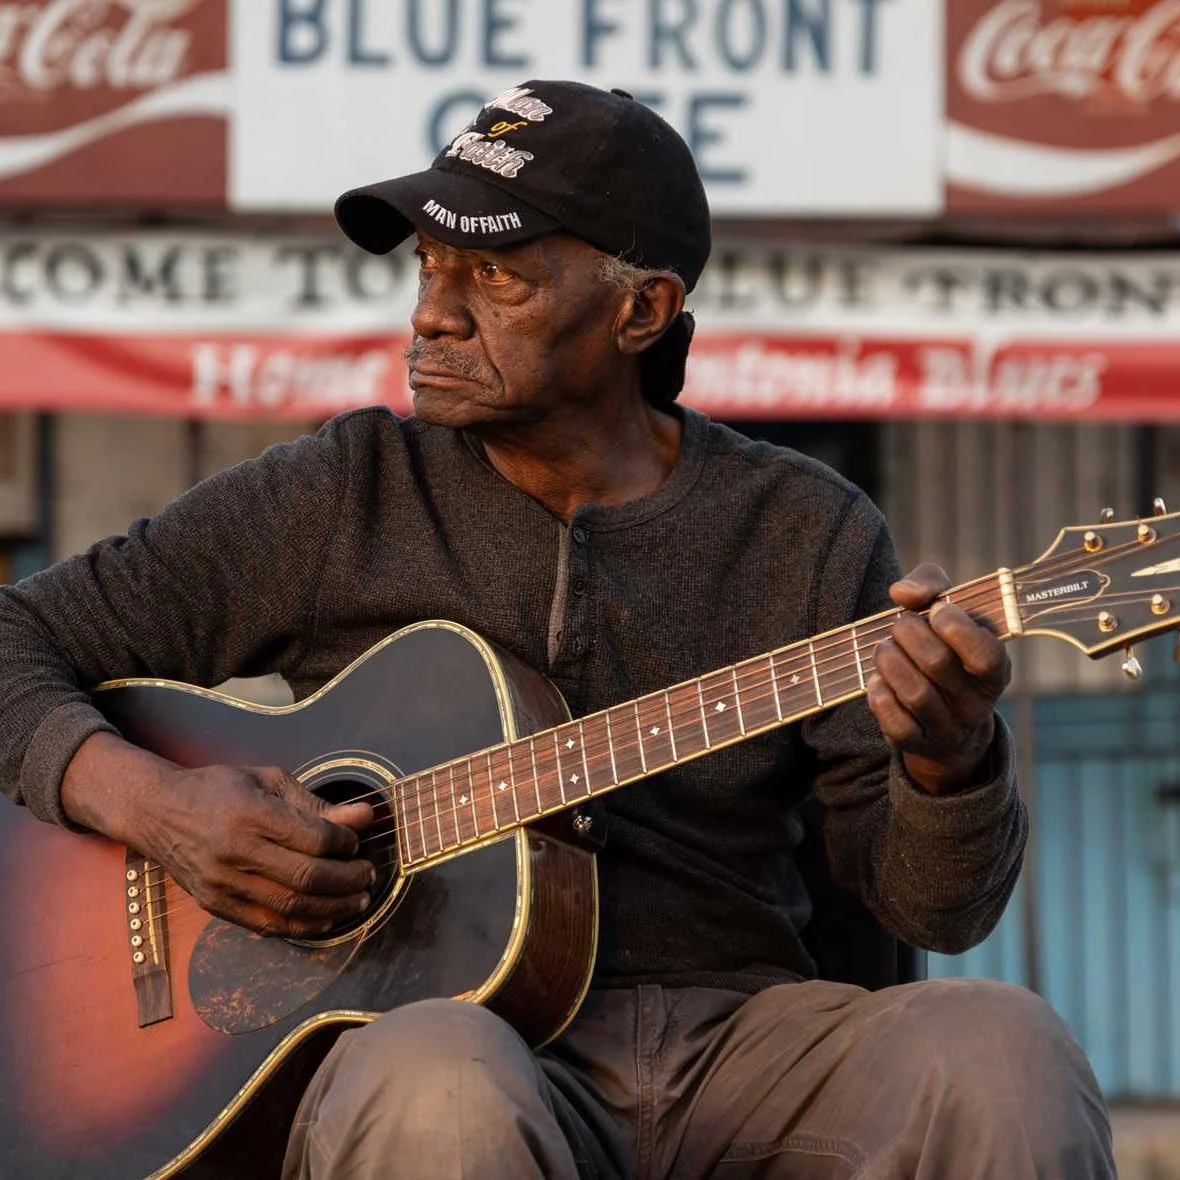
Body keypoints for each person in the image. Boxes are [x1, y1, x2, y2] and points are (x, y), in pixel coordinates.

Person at [0, 81, 1113, 1179]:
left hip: (741, 1042)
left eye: (493, 275)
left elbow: (935, 908)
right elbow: (17, 639)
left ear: (640, 311)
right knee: (441, 1079)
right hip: (441, 1042)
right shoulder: (343, 493)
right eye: (429, 267)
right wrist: (158, 806)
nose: (433, 310)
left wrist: (949, 758)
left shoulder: (803, 528)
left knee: (1002, 1049)